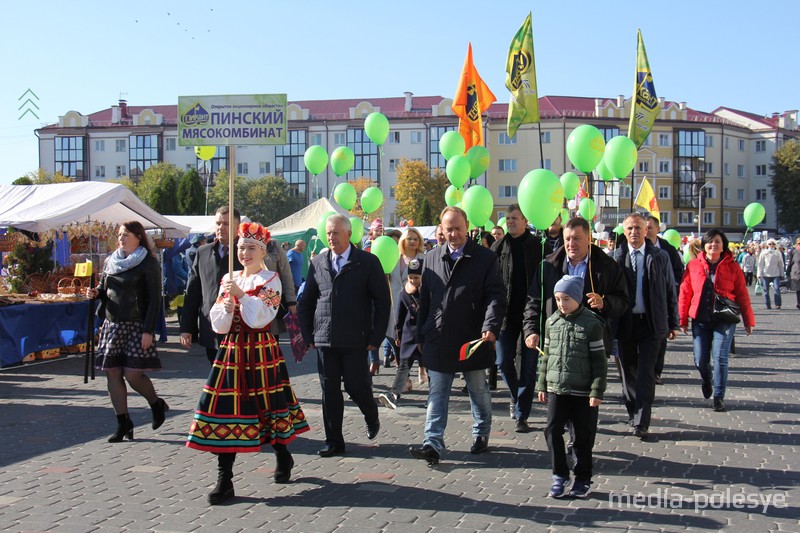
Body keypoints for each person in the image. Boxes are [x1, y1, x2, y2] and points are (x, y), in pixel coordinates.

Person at [186, 222, 310, 505]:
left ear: (262, 251)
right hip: (232, 351)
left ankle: (282, 454)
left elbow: (262, 317)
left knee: (268, 407)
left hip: (261, 351)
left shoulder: (271, 279)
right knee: (226, 410)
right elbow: (217, 322)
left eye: (251, 248)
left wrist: (241, 297)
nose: (244, 253)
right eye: (241, 248)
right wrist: (226, 309)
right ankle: (225, 478)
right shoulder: (230, 279)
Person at [409, 206, 505, 465]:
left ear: (467, 227)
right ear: (441, 229)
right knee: (437, 392)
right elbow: (425, 300)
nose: (453, 234)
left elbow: (495, 295)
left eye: (458, 228)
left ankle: (481, 431)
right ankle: (432, 442)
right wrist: (421, 333)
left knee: (477, 389)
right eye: (448, 229)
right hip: (439, 337)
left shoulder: (485, 258)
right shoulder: (430, 258)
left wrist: (491, 326)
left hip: (472, 338)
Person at [523, 216, 628, 444]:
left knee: (584, 407)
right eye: (567, 239)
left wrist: (605, 302)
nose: (571, 244)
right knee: (560, 403)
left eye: (577, 239)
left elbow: (622, 301)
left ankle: (581, 447)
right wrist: (531, 329)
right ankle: (566, 451)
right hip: (558, 345)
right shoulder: (548, 265)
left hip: (591, 345)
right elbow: (534, 301)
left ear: (589, 238)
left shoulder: (606, 266)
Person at [298, 214, 391, 458]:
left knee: (356, 385)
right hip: (325, 338)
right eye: (328, 233)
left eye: (336, 233)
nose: (331, 237)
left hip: (355, 338)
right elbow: (307, 300)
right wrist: (307, 333)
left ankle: (371, 413)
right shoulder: (318, 262)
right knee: (329, 390)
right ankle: (334, 441)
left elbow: (382, 302)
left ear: (349, 234)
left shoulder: (367, 262)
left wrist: (377, 335)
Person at [86, 221, 167, 443]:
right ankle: (123, 422)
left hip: (137, 325)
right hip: (113, 324)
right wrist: (96, 293)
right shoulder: (112, 261)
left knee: (133, 374)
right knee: (112, 372)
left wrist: (149, 330)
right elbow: (106, 290)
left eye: (126, 234)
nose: (121, 238)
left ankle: (156, 403)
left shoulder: (148, 263)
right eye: (120, 234)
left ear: (138, 237)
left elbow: (153, 300)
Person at [537, 275, 607, 499]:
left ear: (578, 298)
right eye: (557, 299)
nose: (561, 304)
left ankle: (583, 477)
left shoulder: (592, 324)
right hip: (557, 388)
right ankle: (560, 474)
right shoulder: (552, 322)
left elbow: (599, 362)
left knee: (581, 436)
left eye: (566, 299)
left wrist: (597, 391)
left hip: (582, 391)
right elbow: (546, 357)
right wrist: (542, 384)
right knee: (551, 430)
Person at [614, 213, 679, 439]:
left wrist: (673, 322)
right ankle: (633, 411)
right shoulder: (617, 257)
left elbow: (671, 289)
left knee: (646, 374)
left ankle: (642, 420)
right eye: (630, 228)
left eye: (639, 228)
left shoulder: (659, 256)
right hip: (626, 323)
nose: (634, 232)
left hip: (652, 323)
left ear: (647, 231)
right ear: (624, 232)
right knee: (628, 373)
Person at [679, 229, 755, 412]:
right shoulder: (693, 265)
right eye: (710, 241)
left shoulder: (732, 266)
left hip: (724, 318)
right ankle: (707, 380)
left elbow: (743, 295)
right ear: (704, 245)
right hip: (701, 318)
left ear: (723, 245)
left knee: (720, 357)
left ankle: (719, 396)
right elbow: (685, 292)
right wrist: (682, 319)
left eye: (718, 242)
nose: (713, 245)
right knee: (700, 359)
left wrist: (748, 320)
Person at [491, 204, 549, 433]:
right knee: (503, 362)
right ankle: (518, 397)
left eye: (515, 218)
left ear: (525, 220)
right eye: (508, 218)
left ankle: (522, 415)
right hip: (505, 316)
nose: (511, 222)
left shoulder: (537, 247)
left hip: (531, 316)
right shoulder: (498, 246)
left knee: (528, 367)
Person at [180, 206, 243, 364]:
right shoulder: (203, 252)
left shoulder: (246, 252)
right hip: (211, 329)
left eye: (226, 223)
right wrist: (187, 328)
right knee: (217, 380)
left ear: (237, 227)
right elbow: (192, 293)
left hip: (239, 329)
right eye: (218, 223)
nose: (221, 227)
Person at [379, 258, 424, 410]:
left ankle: (435, 397)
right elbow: (399, 315)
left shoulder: (429, 292)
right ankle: (394, 394)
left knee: (431, 367)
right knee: (404, 366)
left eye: (417, 277)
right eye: (411, 277)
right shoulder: (403, 293)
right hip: (409, 335)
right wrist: (398, 334)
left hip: (425, 336)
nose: (413, 280)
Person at [645, 215, 684, 385]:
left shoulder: (667, 250)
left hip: (661, 301)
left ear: (658, 229)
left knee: (660, 339)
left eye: (649, 228)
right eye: (643, 228)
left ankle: (656, 371)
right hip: (642, 303)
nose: (646, 232)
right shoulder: (630, 248)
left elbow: (677, 272)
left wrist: (670, 286)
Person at [758, 239, 784, 309]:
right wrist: (759, 274)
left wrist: (782, 273)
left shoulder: (778, 253)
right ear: (767, 245)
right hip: (766, 274)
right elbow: (760, 264)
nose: (771, 245)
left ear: (775, 245)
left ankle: (778, 304)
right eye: (770, 244)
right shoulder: (763, 253)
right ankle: (768, 304)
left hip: (776, 273)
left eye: (773, 244)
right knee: (766, 290)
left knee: (776, 288)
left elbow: (781, 264)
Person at [788, 237, 800, 309]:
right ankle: (799, 303)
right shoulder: (793, 251)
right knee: (798, 289)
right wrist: (787, 272)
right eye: (799, 243)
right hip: (797, 272)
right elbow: (790, 262)